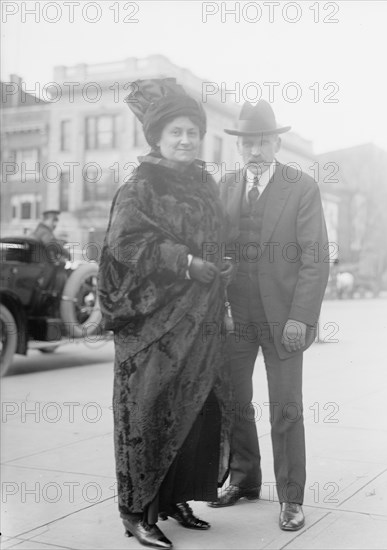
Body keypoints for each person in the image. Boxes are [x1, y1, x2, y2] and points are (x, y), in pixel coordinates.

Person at [98, 79, 232, 549]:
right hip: (153, 325)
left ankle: (176, 498)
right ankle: (137, 510)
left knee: (195, 413)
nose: (185, 140)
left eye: (192, 132)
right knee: (147, 414)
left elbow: (216, 241)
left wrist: (220, 290)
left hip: (201, 320)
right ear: (157, 137)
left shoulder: (204, 181)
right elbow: (125, 243)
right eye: (176, 132)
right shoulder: (140, 185)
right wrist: (185, 262)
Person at [208, 100, 329, 532]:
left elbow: (315, 260)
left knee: (286, 408)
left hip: (282, 316)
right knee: (235, 402)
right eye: (247, 143)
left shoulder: (301, 186)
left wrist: (301, 317)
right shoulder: (224, 185)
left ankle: (292, 498)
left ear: (276, 142)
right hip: (235, 314)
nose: (254, 150)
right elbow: (214, 247)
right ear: (239, 146)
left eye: (262, 141)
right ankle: (244, 480)